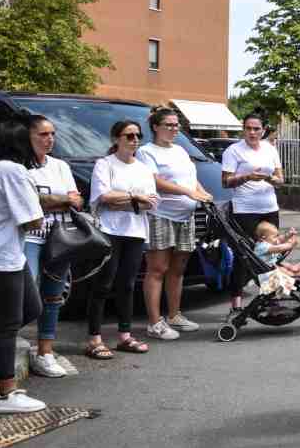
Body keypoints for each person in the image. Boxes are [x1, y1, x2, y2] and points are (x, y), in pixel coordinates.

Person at [86, 121, 160, 360]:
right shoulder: (105, 164)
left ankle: (124, 336)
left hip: (135, 231)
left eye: (138, 135)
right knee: (103, 283)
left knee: (127, 285)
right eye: (129, 135)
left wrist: (126, 200)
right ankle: (94, 338)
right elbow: (103, 197)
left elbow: (151, 201)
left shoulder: (143, 168)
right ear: (116, 138)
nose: (134, 140)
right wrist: (134, 198)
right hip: (109, 229)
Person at [138, 108, 212, 342]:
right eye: (169, 125)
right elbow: (155, 181)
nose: (174, 128)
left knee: (178, 269)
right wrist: (189, 192)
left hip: (185, 216)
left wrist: (202, 193)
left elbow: (191, 178)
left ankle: (174, 315)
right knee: (157, 268)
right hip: (162, 214)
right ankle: (154, 322)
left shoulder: (180, 150)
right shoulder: (146, 152)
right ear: (156, 127)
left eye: (176, 125)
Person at [23, 115, 83, 378]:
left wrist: (55, 200)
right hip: (30, 237)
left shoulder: (60, 166)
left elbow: (77, 200)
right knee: (27, 291)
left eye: (52, 134)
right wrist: (62, 200)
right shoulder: (19, 167)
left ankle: (45, 351)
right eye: (43, 135)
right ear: (29, 137)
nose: (49, 140)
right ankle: (13, 342)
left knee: (53, 295)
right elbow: (30, 202)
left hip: (59, 237)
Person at [0, 117, 49, 413]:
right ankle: (5, 393)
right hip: (3, 260)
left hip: (10, 257)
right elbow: (32, 220)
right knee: (6, 326)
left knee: (32, 308)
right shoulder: (11, 170)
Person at [221, 114, 285, 314]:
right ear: (243, 129)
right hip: (245, 209)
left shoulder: (270, 148)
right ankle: (236, 304)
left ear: (263, 130)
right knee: (245, 255)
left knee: (271, 253)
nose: (252, 132)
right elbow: (225, 182)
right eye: (248, 128)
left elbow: (281, 178)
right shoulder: (233, 151)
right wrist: (247, 176)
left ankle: (271, 298)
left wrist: (272, 180)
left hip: (269, 206)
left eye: (256, 129)